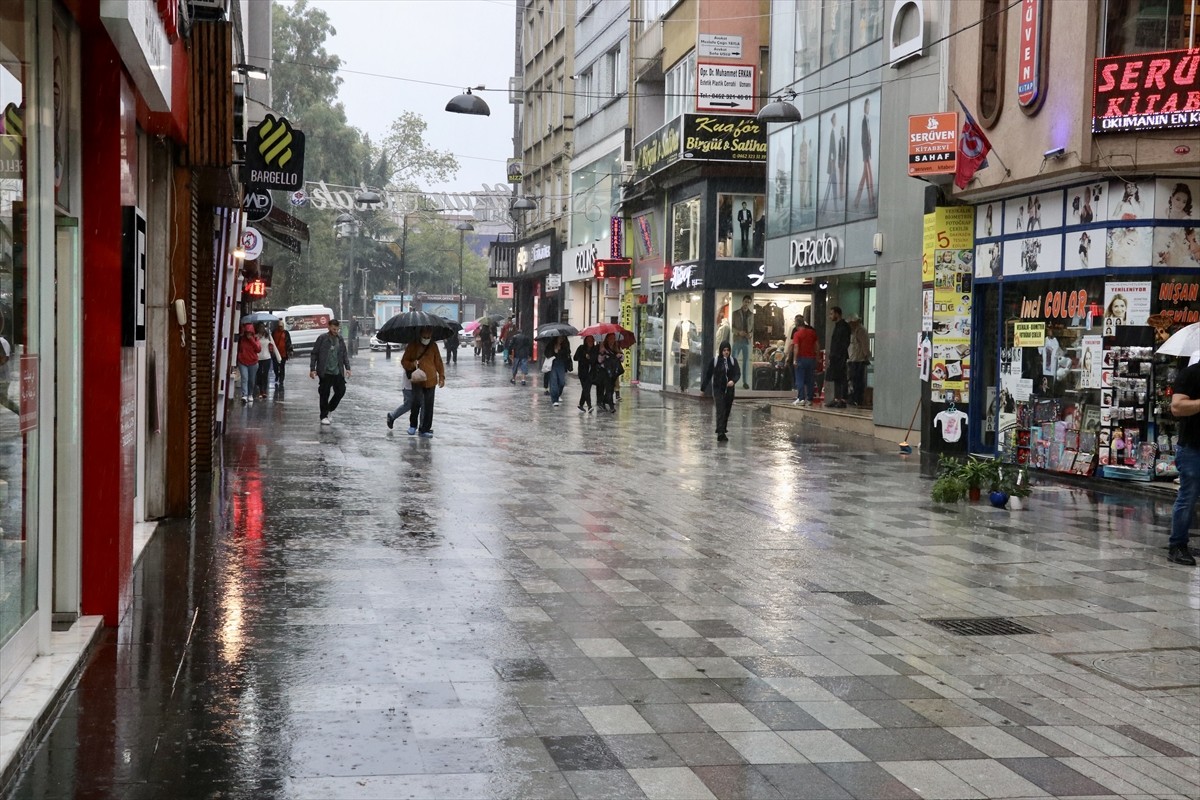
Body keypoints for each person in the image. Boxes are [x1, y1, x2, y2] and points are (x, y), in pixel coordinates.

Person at [1167, 361, 1200, 565]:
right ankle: (1177, 545)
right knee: (1188, 497)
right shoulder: (1191, 374)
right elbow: (1177, 407)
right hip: (1193, 447)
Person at [401, 326, 445, 437]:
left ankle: (425, 429)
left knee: (429, 405)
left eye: (428, 337)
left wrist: (441, 377)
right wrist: (413, 364)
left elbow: (438, 362)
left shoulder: (434, 346)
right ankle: (413, 425)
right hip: (418, 379)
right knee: (416, 403)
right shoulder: (413, 345)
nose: (426, 338)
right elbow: (404, 361)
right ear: (420, 335)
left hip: (431, 380)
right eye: (424, 336)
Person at [308, 318, 351, 425]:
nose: (335, 331)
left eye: (337, 329)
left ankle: (329, 409)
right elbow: (314, 354)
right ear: (329, 327)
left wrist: (348, 368)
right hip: (325, 371)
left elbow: (344, 354)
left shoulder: (340, 339)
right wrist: (312, 369)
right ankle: (323, 416)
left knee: (341, 390)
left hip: (337, 371)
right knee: (324, 393)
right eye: (333, 329)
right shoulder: (322, 338)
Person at [701, 341, 740, 442]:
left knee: (726, 410)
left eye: (728, 350)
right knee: (720, 409)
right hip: (718, 389)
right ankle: (720, 433)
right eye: (724, 350)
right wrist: (703, 388)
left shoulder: (733, 361)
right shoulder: (715, 361)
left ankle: (722, 429)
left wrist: (733, 381)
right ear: (721, 351)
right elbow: (708, 375)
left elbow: (737, 373)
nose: (726, 352)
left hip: (730, 390)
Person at [826, 306, 850, 408]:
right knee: (836, 377)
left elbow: (844, 342)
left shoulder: (844, 326)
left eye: (832, 314)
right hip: (835, 355)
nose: (830, 316)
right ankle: (836, 398)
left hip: (840, 355)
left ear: (837, 314)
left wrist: (840, 354)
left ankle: (843, 399)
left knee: (842, 377)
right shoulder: (838, 326)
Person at [791, 317, 819, 406]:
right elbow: (817, 345)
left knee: (800, 379)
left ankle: (801, 398)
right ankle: (810, 399)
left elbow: (796, 347)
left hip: (801, 359)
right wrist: (817, 357)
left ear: (796, 325)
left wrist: (794, 360)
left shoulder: (797, 334)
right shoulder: (812, 332)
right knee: (810, 379)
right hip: (811, 359)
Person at [847, 314, 871, 407]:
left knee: (857, 381)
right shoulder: (853, 331)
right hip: (852, 359)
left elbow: (864, 345)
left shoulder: (861, 331)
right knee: (852, 380)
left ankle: (858, 399)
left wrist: (866, 356)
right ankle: (853, 398)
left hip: (858, 360)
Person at [854, 97, 874, 211]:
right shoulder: (863, 121)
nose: (868, 107)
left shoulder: (867, 120)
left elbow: (869, 138)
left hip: (868, 153)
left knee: (864, 177)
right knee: (869, 177)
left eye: (869, 105)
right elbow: (863, 139)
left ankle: (857, 201)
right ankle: (871, 201)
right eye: (867, 105)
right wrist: (865, 155)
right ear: (864, 107)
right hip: (865, 154)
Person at [731, 295, 754, 389]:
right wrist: (738, 332)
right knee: (733, 361)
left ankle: (745, 382)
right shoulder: (735, 313)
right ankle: (732, 380)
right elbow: (732, 327)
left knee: (746, 363)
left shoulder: (751, 314)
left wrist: (751, 334)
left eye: (748, 302)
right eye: (745, 301)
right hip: (737, 340)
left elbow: (752, 328)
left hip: (746, 341)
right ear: (742, 301)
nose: (747, 304)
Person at [596, 333, 622, 412]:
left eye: (613, 338)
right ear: (607, 339)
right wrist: (602, 353)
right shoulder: (604, 348)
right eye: (610, 338)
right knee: (608, 389)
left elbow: (622, 359)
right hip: (605, 372)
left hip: (614, 372)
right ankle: (611, 407)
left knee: (610, 389)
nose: (612, 340)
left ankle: (603, 401)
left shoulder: (616, 348)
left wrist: (619, 355)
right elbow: (599, 360)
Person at [254, 322, 282, 399]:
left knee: (265, 374)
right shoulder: (255, 336)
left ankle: (264, 391)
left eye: (263, 327)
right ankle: (260, 390)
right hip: (258, 358)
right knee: (259, 374)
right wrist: (257, 338)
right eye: (260, 327)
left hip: (267, 358)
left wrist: (278, 357)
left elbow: (273, 345)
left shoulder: (268, 336)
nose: (262, 328)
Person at [544, 335, 572, 406]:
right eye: (559, 338)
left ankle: (557, 395)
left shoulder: (565, 344)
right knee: (553, 381)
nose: (561, 339)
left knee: (562, 382)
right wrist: (554, 351)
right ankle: (554, 400)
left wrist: (560, 351)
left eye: (562, 338)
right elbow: (546, 353)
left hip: (561, 364)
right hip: (553, 364)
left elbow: (568, 353)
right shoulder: (551, 344)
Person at [236, 323, 259, 405]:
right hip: (242, 361)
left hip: (253, 362)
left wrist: (251, 340)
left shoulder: (255, 339)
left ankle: (250, 394)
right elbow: (238, 348)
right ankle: (244, 395)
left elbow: (258, 349)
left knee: (251, 380)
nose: (248, 334)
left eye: (250, 332)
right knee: (244, 378)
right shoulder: (242, 339)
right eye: (247, 332)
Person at [574, 335, 597, 412]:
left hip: (591, 372)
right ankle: (589, 406)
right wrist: (584, 355)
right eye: (589, 340)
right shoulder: (581, 348)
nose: (590, 342)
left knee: (586, 389)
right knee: (586, 389)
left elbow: (595, 360)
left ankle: (581, 405)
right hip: (582, 372)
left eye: (592, 340)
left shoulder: (595, 349)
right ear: (586, 341)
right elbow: (575, 357)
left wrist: (590, 358)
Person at [272, 321, 293, 388]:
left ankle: (281, 379)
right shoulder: (274, 332)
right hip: (275, 353)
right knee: (275, 366)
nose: (280, 328)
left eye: (281, 326)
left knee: (282, 366)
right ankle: (277, 375)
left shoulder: (286, 333)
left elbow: (289, 342)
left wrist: (290, 350)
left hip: (283, 353)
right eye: (279, 326)